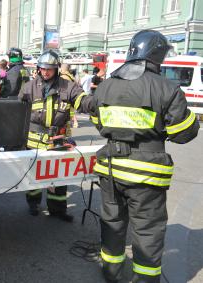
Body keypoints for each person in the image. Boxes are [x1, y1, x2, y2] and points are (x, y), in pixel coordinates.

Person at [88, 30, 199, 282]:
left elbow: (98, 121)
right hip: (146, 174)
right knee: (147, 231)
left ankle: (111, 271)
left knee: (112, 222)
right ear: (157, 54)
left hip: (111, 169)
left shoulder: (106, 84)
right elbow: (183, 133)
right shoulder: (167, 88)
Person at [18, 50, 90, 222]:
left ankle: (57, 210)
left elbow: (81, 99)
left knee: (59, 178)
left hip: (58, 141)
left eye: (49, 68)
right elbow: (18, 114)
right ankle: (33, 204)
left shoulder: (68, 86)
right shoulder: (29, 88)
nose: (45, 72)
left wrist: (92, 104)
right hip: (34, 142)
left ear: (56, 69)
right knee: (34, 177)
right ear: (38, 68)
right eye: (43, 68)